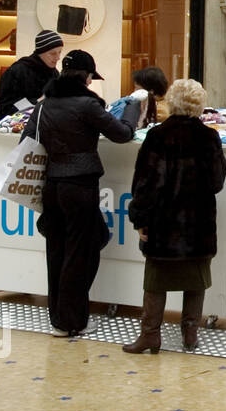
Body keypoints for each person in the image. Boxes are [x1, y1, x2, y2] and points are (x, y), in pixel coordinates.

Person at [22, 50, 140, 337]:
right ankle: (72, 320)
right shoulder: (88, 105)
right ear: (86, 77)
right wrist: (134, 108)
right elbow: (122, 134)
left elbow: (25, 140)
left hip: (52, 185)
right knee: (80, 252)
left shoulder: (43, 106)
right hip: (80, 185)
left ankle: (59, 318)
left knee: (57, 251)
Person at [123, 79, 226, 355]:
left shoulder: (157, 136)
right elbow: (217, 182)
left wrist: (140, 219)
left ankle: (150, 336)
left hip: (163, 223)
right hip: (198, 224)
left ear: (171, 102)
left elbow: (145, 185)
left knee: (156, 280)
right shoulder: (210, 137)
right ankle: (190, 334)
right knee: (196, 279)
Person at [0, 30, 63, 120]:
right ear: (41, 52)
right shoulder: (16, 72)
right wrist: (38, 101)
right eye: (53, 53)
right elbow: (4, 111)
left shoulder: (54, 74)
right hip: (17, 130)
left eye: (60, 52)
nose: (58, 58)